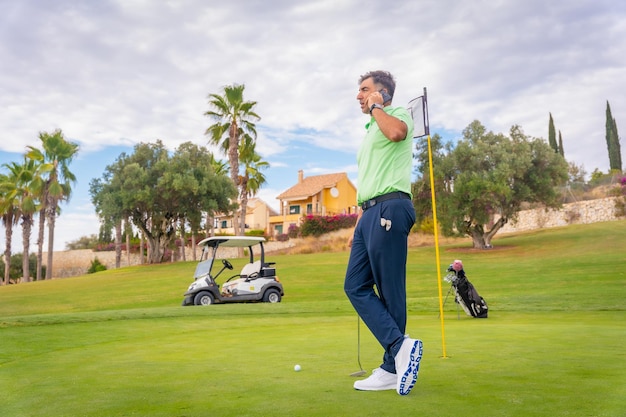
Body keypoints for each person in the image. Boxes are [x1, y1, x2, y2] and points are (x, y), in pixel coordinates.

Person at [344, 70, 422, 395]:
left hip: (391, 208)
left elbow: (397, 134)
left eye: (364, 90)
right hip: (370, 213)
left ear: (382, 92)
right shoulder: (371, 128)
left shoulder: (394, 114)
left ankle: (394, 362)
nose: (358, 96)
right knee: (355, 285)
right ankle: (398, 349)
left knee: (390, 291)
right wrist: (360, 222)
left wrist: (378, 107)